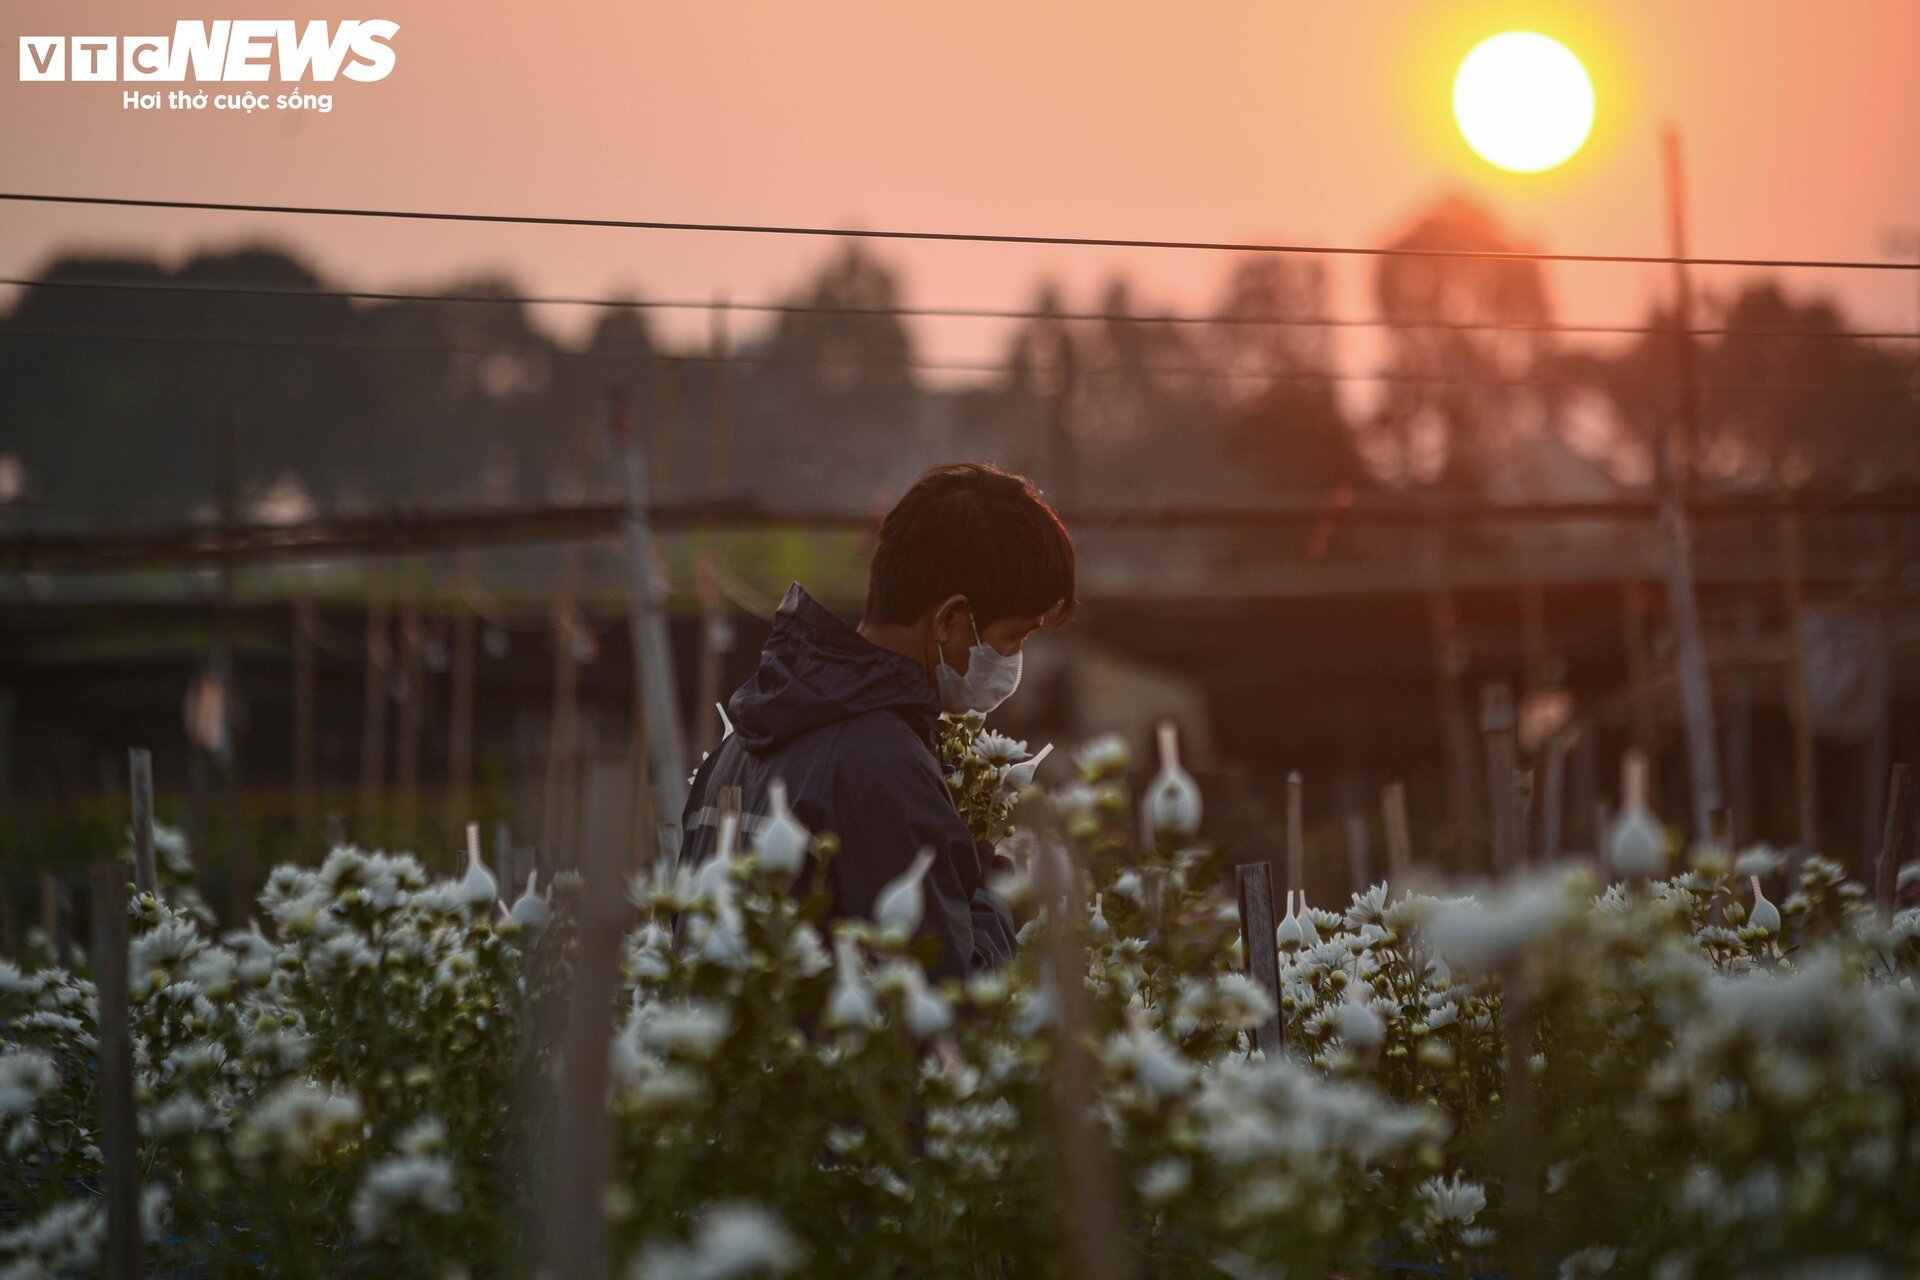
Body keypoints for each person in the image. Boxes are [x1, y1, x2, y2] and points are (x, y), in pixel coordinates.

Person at [677, 462, 1075, 980]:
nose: (1013, 660)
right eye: (1014, 638)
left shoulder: (741, 746)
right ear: (950, 620)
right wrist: (994, 898)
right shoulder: (883, 767)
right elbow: (942, 1007)